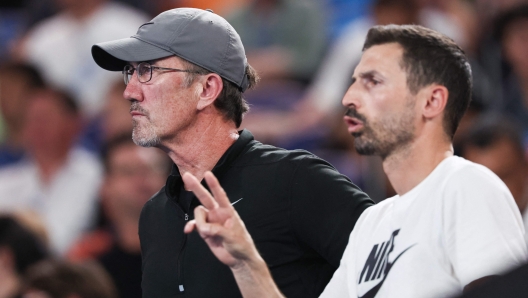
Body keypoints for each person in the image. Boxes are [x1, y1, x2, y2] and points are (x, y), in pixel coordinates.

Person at [182, 24, 528, 298]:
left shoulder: (467, 185)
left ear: (431, 101)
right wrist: (246, 262)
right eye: (352, 83)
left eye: (372, 82)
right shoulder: (371, 223)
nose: (348, 97)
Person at [91, 7, 373, 298]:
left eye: (147, 71)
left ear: (207, 89)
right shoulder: (154, 214)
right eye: (131, 72)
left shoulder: (295, 181)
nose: (130, 91)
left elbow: (397, 270)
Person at [0, 88, 103, 255]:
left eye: (45, 118)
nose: (37, 125)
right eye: (31, 118)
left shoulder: (95, 174)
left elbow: (61, 241)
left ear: (73, 122)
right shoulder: (6, 180)